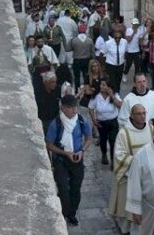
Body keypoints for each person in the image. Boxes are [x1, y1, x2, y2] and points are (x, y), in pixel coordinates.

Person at [45, 95, 92, 226]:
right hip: (61, 160)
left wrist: (82, 151)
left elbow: (88, 137)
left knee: (75, 189)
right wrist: (66, 153)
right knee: (63, 189)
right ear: (63, 108)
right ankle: (64, 213)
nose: (74, 110)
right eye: (70, 107)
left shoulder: (82, 121)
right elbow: (49, 144)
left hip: (77, 159)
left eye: (75, 107)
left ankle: (72, 213)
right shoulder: (56, 124)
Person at [109, 104, 154, 234]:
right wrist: (138, 162)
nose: (142, 116)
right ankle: (126, 230)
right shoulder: (124, 133)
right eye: (139, 114)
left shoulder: (151, 129)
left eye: (144, 113)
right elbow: (119, 155)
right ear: (132, 116)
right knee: (127, 207)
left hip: (147, 176)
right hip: (129, 176)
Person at [89, 79, 122, 166]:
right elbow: (91, 108)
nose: (101, 87)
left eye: (104, 85)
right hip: (102, 122)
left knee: (113, 141)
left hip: (113, 122)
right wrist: (94, 120)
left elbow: (120, 105)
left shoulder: (114, 95)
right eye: (101, 85)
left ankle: (112, 160)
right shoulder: (96, 96)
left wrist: (111, 95)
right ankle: (104, 154)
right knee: (103, 140)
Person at [69, 23, 94, 92]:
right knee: (86, 76)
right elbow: (92, 52)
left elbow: (70, 48)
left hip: (77, 60)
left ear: (78, 31)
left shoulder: (74, 40)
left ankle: (77, 90)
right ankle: (86, 90)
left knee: (77, 77)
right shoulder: (90, 40)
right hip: (86, 60)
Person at [103, 29, 128, 94]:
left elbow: (126, 52)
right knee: (112, 82)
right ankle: (112, 96)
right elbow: (101, 54)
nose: (117, 39)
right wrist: (103, 67)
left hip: (120, 65)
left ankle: (117, 95)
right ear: (113, 37)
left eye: (119, 38)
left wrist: (124, 60)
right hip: (110, 65)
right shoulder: (108, 43)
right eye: (116, 38)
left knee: (118, 82)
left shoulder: (124, 42)